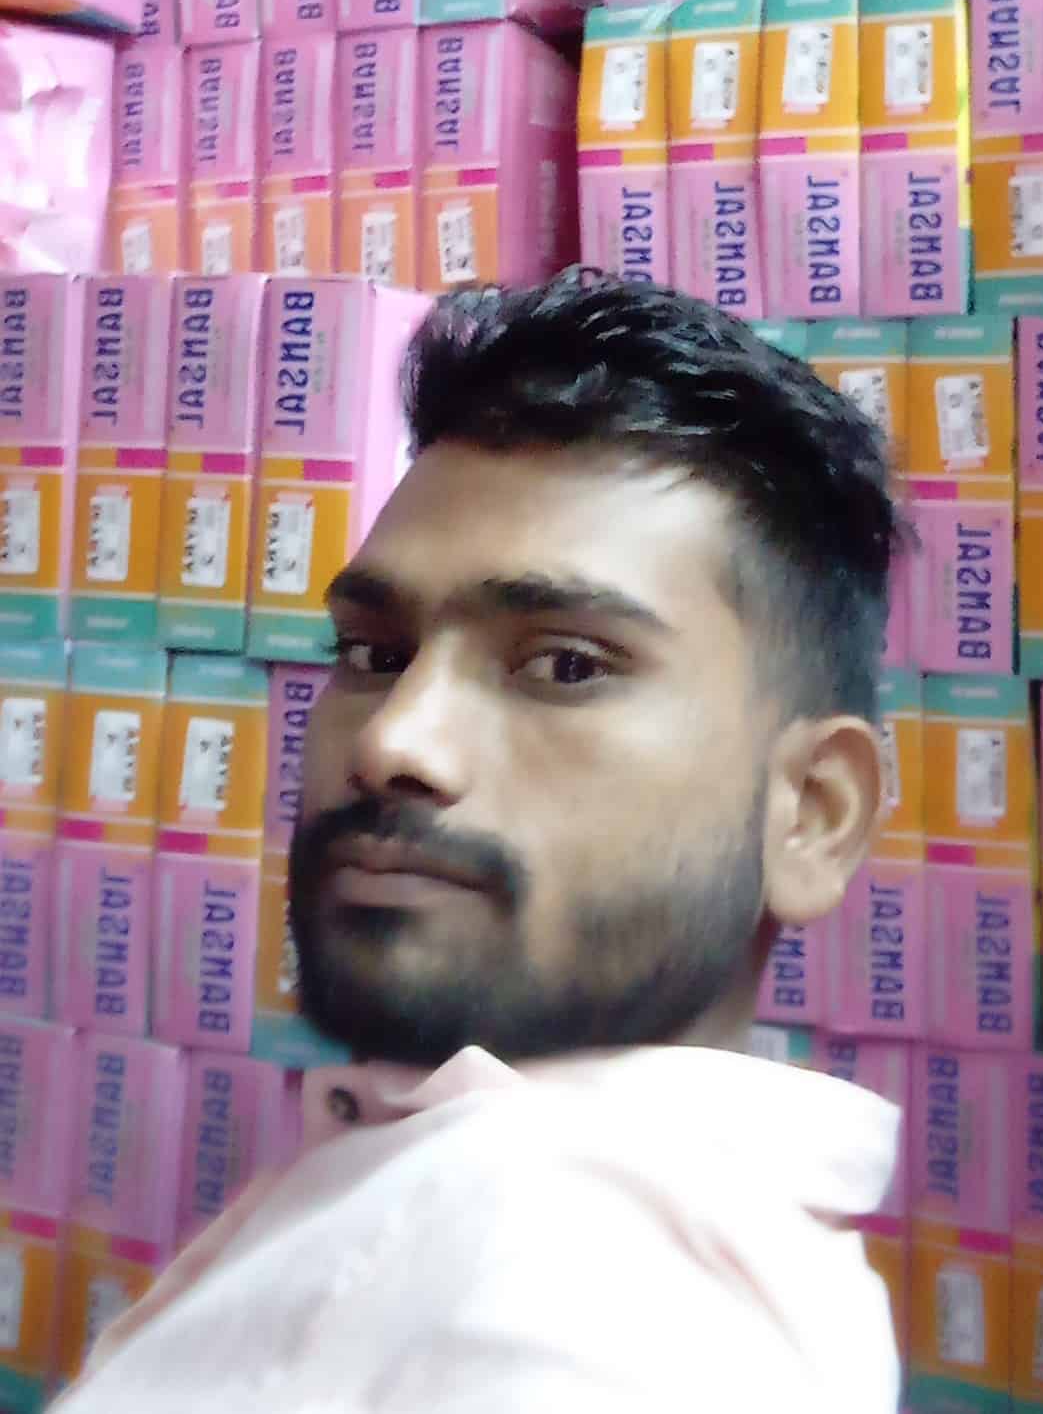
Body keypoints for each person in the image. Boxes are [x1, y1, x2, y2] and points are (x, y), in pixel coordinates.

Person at [59, 272, 905, 1413]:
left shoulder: (585, 1318)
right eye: (374, 655)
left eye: (564, 664)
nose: (393, 742)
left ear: (813, 814)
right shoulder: (464, 1198)